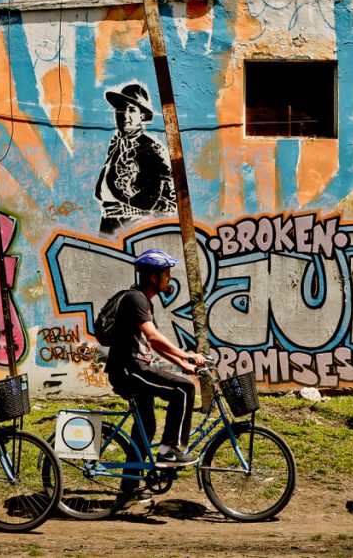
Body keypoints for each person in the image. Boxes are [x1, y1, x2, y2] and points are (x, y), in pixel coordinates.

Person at [105, 248, 206, 499]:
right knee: (184, 389)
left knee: (146, 427)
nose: (169, 279)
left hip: (136, 368)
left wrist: (183, 363)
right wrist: (185, 355)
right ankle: (168, 450)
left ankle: (128, 489)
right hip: (130, 370)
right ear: (154, 277)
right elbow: (152, 336)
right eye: (167, 274)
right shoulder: (136, 299)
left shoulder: (145, 302)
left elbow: (153, 344)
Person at [94, 84, 177, 234]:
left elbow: (161, 202)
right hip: (110, 224)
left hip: (134, 227)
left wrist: (131, 213)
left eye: (132, 109)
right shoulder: (118, 144)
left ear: (142, 116)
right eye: (120, 109)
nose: (125, 115)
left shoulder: (151, 149)